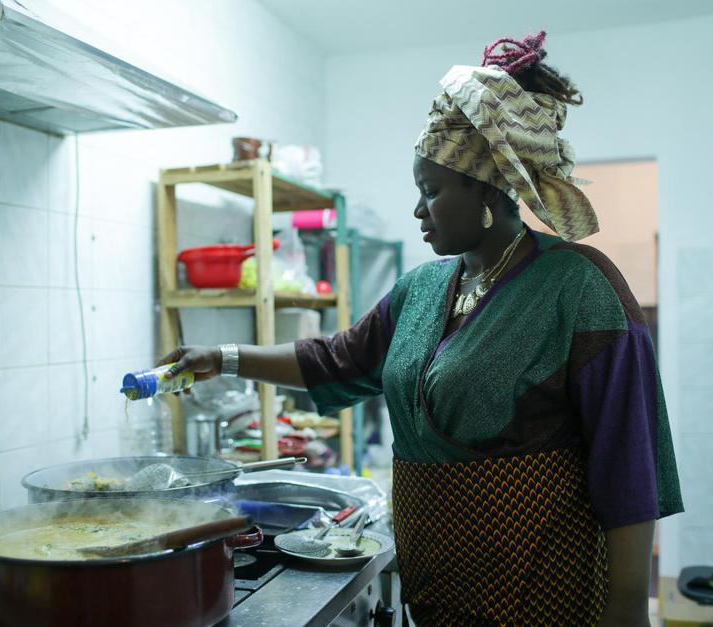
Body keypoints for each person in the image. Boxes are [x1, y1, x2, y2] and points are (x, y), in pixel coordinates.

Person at [160, 31, 682, 626]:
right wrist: (223, 357)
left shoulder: (579, 286)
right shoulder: (424, 288)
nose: (417, 210)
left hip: (540, 593)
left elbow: (627, 460)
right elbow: (337, 361)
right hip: (436, 589)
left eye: (430, 192)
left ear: (486, 189)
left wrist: (627, 609)